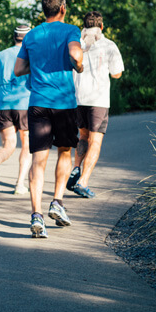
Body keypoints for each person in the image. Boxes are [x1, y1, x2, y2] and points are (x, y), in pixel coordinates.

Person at [14, 0, 83, 238]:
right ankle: (57, 201)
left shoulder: (31, 35)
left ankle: (36, 216)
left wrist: (40, 63)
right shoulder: (70, 30)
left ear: (45, 10)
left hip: (38, 104)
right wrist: (79, 64)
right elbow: (75, 55)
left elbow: (19, 68)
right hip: (63, 103)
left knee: (38, 160)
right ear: (63, 8)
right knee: (65, 152)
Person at [67, 11, 124, 198]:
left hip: (78, 98)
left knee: (82, 136)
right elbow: (117, 73)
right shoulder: (109, 45)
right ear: (101, 26)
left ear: (84, 25)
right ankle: (83, 182)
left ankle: (76, 168)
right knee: (96, 141)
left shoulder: (77, 44)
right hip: (98, 100)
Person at [0, 24, 32, 195]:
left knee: (9, 145)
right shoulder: (31, 55)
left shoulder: (0, 55)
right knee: (26, 145)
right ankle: (19, 184)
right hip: (24, 104)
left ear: (14, 37)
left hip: (3, 105)